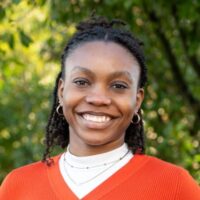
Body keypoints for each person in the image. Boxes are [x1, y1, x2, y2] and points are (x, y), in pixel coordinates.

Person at [0, 16, 199, 200]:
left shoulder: (174, 187)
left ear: (137, 100)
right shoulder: (17, 187)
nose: (98, 99)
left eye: (118, 86)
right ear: (61, 91)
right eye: (82, 81)